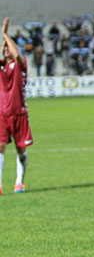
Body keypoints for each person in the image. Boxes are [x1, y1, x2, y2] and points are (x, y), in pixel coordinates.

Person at [0, 17, 33, 195]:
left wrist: (5, 34)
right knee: (1, 146)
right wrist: (3, 39)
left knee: (21, 149)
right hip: (2, 114)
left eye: (8, 47)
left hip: (19, 114)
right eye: (4, 48)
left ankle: (19, 182)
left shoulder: (21, 65)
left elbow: (17, 54)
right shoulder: (1, 67)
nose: (6, 50)